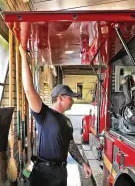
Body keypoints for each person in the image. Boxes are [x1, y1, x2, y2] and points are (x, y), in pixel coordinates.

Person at [19, 45, 92, 186]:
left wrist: (83, 163)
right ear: (60, 98)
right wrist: (23, 56)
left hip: (61, 172)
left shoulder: (67, 121)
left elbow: (70, 145)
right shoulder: (44, 114)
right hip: (44, 173)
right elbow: (28, 90)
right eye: (70, 97)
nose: (73, 100)